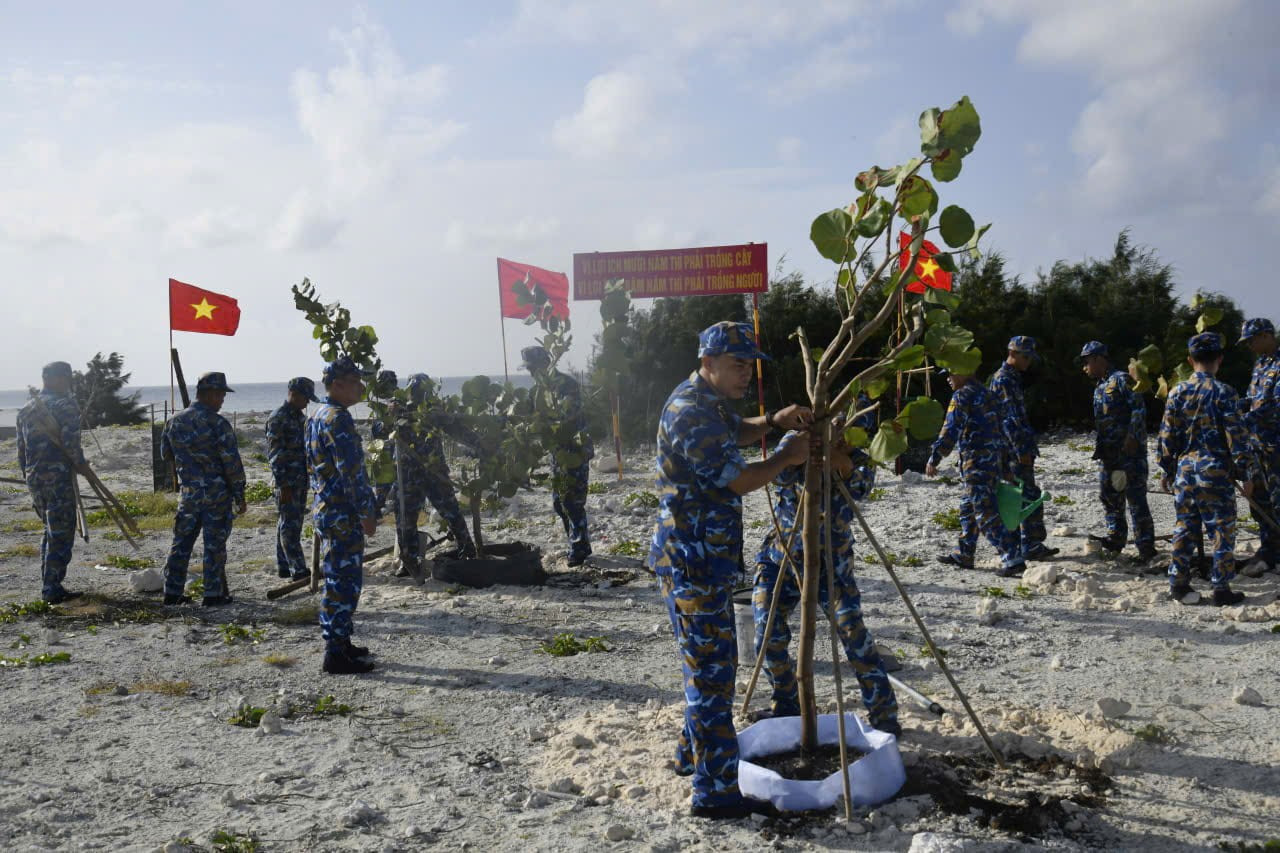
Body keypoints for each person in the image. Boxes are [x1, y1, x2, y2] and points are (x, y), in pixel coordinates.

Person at [648, 320, 811, 820]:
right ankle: (714, 794)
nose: (747, 373)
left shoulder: (710, 402)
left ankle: (690, 754)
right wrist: (785, 456)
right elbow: (739, 478)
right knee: (714, 675)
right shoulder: (689, 412)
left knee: (707, 666)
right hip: (692, 563)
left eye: (751, 365)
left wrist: (772, 421)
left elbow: (735, 432)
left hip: (704, 559)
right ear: (708, 362)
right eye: (738, 365)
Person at [751, 404, 900, 736]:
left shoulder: (861, 459)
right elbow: (780, 473)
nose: (843, 435)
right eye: (839, 426)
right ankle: (787, 704)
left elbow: (861, 487)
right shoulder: (795, 442)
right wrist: (806, 454)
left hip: (833, 566)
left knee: (854, 636)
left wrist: (839, 464)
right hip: (782, 560)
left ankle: (883, 711)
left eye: (852, 432)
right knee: (766, 635)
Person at [1156, 333, 1257, 605]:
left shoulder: (1177, 392)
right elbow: (1237, 436)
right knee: (1222, 530)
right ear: (1219, 359)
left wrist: (1166, 469)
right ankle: (1221, 589)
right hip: (1215, 471)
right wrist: (1246, 473)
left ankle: (1178, 584)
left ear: (1190, 360)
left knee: (1185, 528)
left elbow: (1166, 435)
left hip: (1186, 470)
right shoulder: (1224, 392)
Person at [308, 357, 378, 675]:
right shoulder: (338, 419)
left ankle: (342, 644)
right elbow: (350, 472)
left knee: (339, 579)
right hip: (341, 513)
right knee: (343, 583)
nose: (361, 386)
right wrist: (367, 511)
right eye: (355, 381)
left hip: (327, 507)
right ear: (337, 384)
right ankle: (335, 654)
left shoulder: (318, 414)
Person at [373, 372, 477, 576]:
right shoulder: (398, 410)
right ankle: (409, 562)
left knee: (451, 511)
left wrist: (479, 444)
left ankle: (468, 550)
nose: (418, 394)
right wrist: (388, 415)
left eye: (422, 390)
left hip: (434, 472)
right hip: (408, 476)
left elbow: (458, 430)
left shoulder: (434, 412)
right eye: (415, 390)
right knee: (406, 520)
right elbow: (378, 431)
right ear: (409, 390)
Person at [926, 368, 1027, 577]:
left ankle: (1012, 556)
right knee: (968, 507)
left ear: (965, 372)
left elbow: (951, 428)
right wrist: (1006, 465)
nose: (948, 378)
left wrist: (935, 458)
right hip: (993, 461)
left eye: (951, 373)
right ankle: (964, 553)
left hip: (976, 462)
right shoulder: (988, 394)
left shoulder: (962, 395)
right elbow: (1002, 430)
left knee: (985, 512)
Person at [159, 372, 246, 607]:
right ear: (209, 394)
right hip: (216, 495)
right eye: (220, 395)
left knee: (181, 543)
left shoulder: (174, 421)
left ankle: (173, 591)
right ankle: (213, 593)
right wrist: (240, 494)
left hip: (189, 493)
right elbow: (232, 464)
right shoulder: (218, 424)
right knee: (214, 545)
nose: (222, 400)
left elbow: (165, 455)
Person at [16, 361, 92, 603]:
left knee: (50, 530)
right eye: (66, 379)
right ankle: (52, 588)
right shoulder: (64, 405)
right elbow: (70, 441)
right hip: (57, 476)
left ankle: (48, 582)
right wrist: (80, 464)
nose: (68, 384)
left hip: (34, 477)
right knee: (61, 531)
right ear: (57, 379)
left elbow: (21, 450)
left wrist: (28, 474)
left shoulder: (27, 408)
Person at [1080, 341, 1156, 561]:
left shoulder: (1121, 379)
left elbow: (1139, 408)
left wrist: (1134, 436)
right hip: (1108, 453)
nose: (1085, 368)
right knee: (1110, 497)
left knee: (1135, 499)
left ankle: (1146, 548)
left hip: (1129, 453)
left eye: (1087, 362)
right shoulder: (1100, 386)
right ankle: (1115, 539)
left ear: (1098, 359)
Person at [522, 345, 594, 566]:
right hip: (558, 453)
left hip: (574, 450)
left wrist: (544, 422)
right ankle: (576, 542)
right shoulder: (537, 391)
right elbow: (528, 415)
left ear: (545, 363)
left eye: (533, 368)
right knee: (559, 502)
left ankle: (579, 548)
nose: (531, 373)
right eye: (529, 369)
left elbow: (568, 416)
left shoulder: (566, 384)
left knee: (571, 500)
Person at [988, 336, 1057, 560]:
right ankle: (1029, 545)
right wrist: (1021, 450)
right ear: (1013, 354)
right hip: (1013, 450)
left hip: (1014, 447)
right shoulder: (1004, 379)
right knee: (1026, 496)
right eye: (1025, 357)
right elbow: (1009, 420)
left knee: (1022, 495)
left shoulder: (1012, 378)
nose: (1028, 362)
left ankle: (1023, 544)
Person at [1239, 318, 1280, 571]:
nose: (1250, 345)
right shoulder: (1259, 365)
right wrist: (1234, 409)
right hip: (1256, 446)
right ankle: (1269, 551)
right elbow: (1251, 399)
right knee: (1259, 502)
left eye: (1252, 340)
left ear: (1267, 335)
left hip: (1276, 447)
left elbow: (1274, 406)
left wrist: (1244, 419)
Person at [266, 377, 317, 580]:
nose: (307, 403)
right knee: (290, 526)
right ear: (294, 394)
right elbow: (275, 455)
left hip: (299, 480)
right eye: (305, 398)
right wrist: (283, 484)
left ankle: (284, 566)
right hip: (287, 482)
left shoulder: (299, 418)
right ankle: (298, 569)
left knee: (287, 522)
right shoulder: (278, 418)